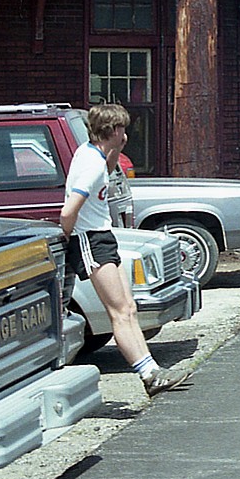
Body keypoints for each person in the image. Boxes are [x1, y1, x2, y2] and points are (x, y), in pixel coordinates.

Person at [60, 103, 191, 397]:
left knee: (129, 307)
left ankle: (153, 370)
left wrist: (116, 151)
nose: (125, 134)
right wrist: (66, 238)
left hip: (103, 235)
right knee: (118, 312)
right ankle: (148, 374)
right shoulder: (90, 164)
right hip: (90, 238)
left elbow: (103, 171)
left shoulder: (93, 154)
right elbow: (69, 211)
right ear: (116, 130)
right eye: (123, 130)